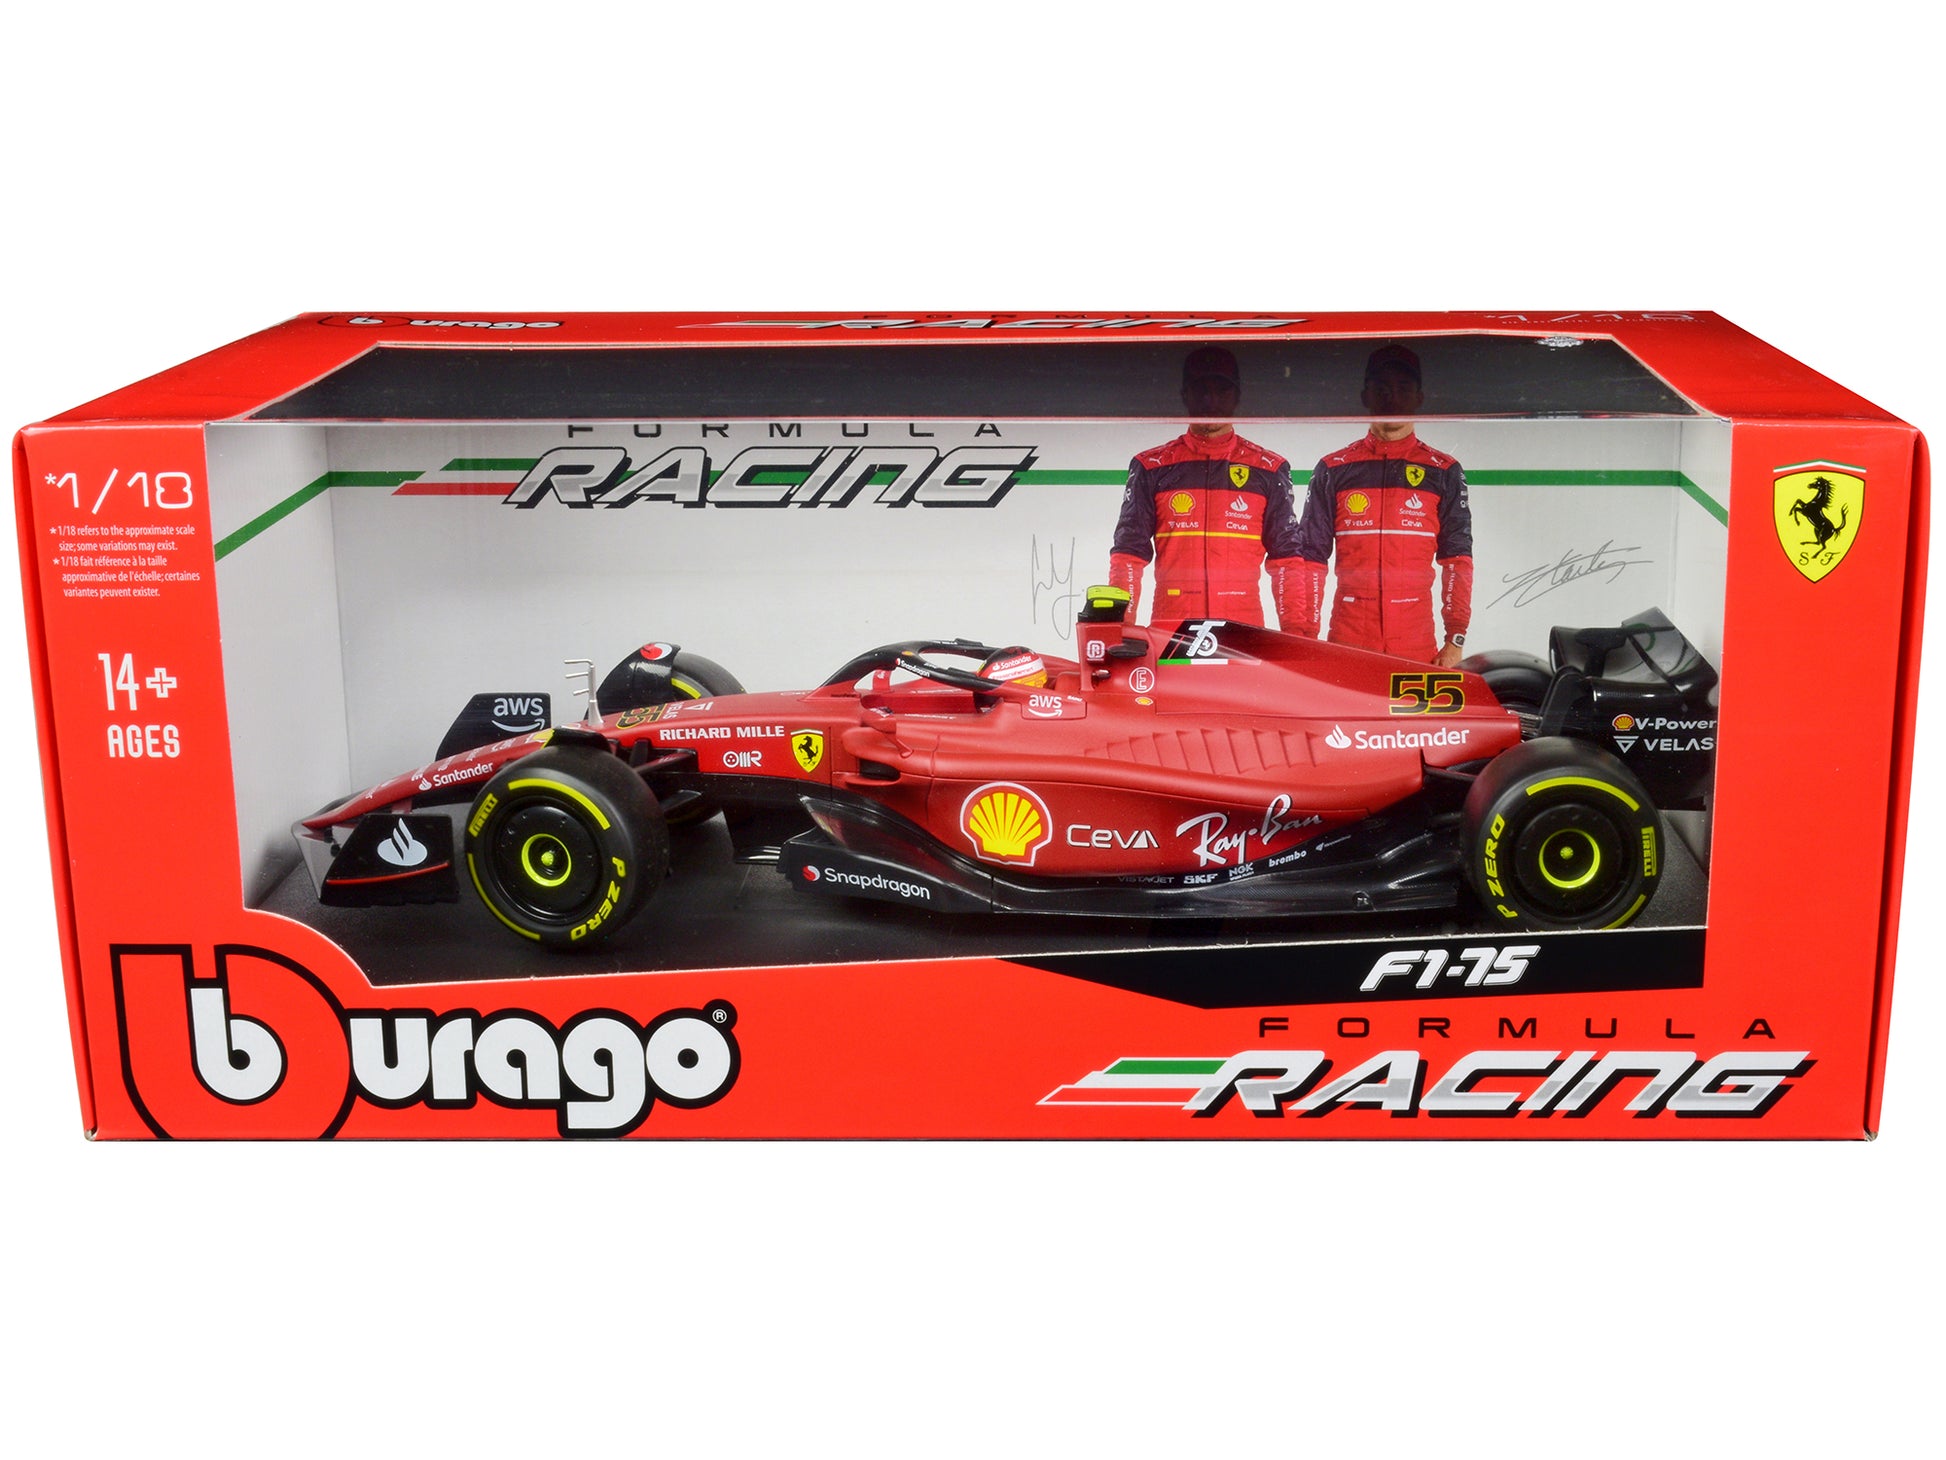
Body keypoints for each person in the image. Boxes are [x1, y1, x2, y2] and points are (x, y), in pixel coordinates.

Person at [1287, 344, 1473, 664]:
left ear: (1419, 398)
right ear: (1365, 397)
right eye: (1382, 388)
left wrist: (1455, 638)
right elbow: (1311, 560)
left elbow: (1457, 560)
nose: (1392, 398)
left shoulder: (1443, 471)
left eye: (1403, 388)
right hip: (1348, 643)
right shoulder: (1334, 469)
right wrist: (1306, 637)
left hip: (1416, 645)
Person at [1108, 347, 1307, 627]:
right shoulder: (1151, 466)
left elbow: (1287, 560)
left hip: (1243, 632)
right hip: (1172, 629)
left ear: (1237, 396)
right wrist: (1120, 628)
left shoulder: (1269, 468)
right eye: (1201, 389)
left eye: (1222, 390)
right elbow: (1128, 555)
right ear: (1185, 395)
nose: (1211, 400)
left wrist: (1297, 634)